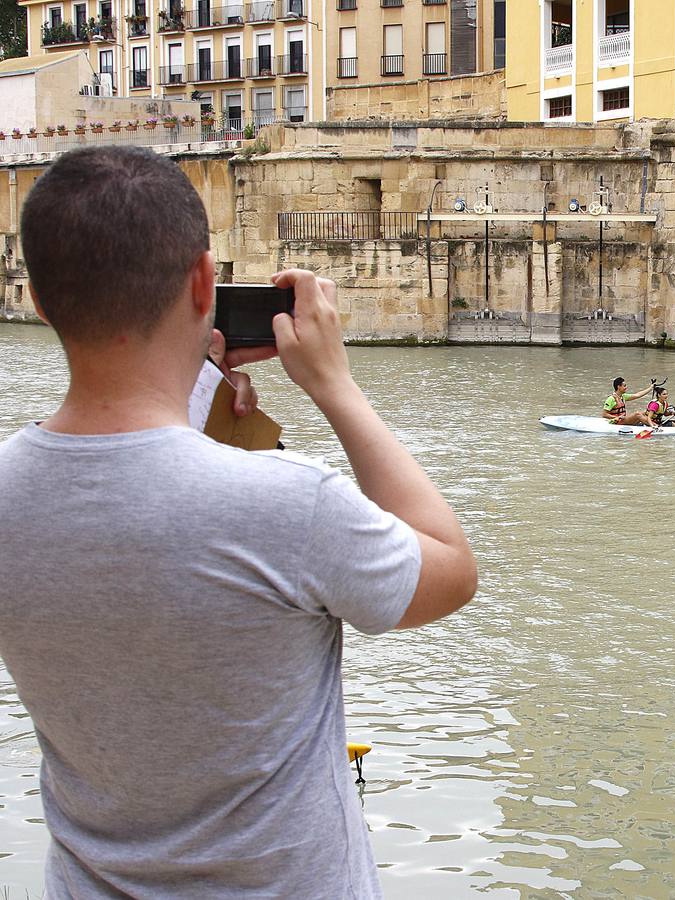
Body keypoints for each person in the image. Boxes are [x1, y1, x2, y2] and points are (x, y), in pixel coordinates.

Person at [0, 147, 477, 898]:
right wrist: (333, 386)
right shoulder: (289, 505)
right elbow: (450, 570)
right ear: (202, 283)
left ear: (37, 300)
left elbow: (135, 513)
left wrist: (201, 407)